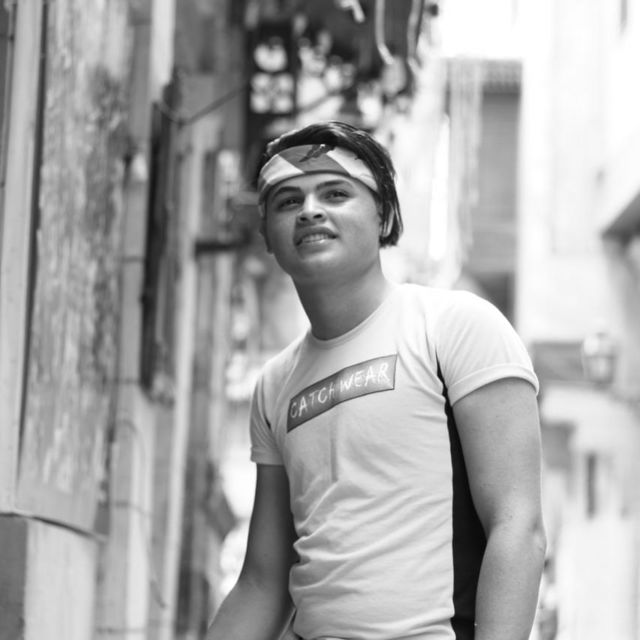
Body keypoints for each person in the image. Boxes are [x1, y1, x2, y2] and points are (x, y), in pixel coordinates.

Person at [207, 121, 546, 640]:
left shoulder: (454, 327)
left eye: (336, 193)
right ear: (267, 236)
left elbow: (517, 527)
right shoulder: (275, 385)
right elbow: (263, 582)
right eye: (288, 201)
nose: (310, 210)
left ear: (383, 215)